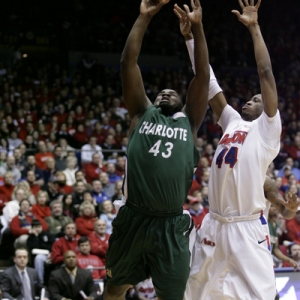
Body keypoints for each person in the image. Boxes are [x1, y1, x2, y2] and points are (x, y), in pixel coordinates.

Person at [175, 0, 297, 299]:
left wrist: (254, 28)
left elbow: (266, 72)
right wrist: (192, 36)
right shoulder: (231, 121)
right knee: (195, 293)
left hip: (247, 230)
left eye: (257, 100)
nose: (251, 100)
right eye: (252, 99)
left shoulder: (267, 131)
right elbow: (208, 79)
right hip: (214, 225)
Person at [103, 0, 209, 299]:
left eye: (171, 91)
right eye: (160, 91)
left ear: (182, 100)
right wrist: (143, 17)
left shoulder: (189, 122)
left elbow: (202, 75)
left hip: (171, 224)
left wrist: (197, 29)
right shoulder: (140, 113)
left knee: (172, 296)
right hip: (134, 217)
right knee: (114, 290)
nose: (164, 92)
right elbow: (128, 63)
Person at [26, 219, 55, 284]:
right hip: (37, 257)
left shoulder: (47, 234)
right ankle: (40, 282)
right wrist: (36, 237)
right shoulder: (30, 238)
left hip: (50, 254)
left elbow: (53, 245)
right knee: (38, 258)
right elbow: (34, 249)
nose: (38, 229)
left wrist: (51, 252)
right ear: (32, 228)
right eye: (35, 227)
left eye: (39, 227)